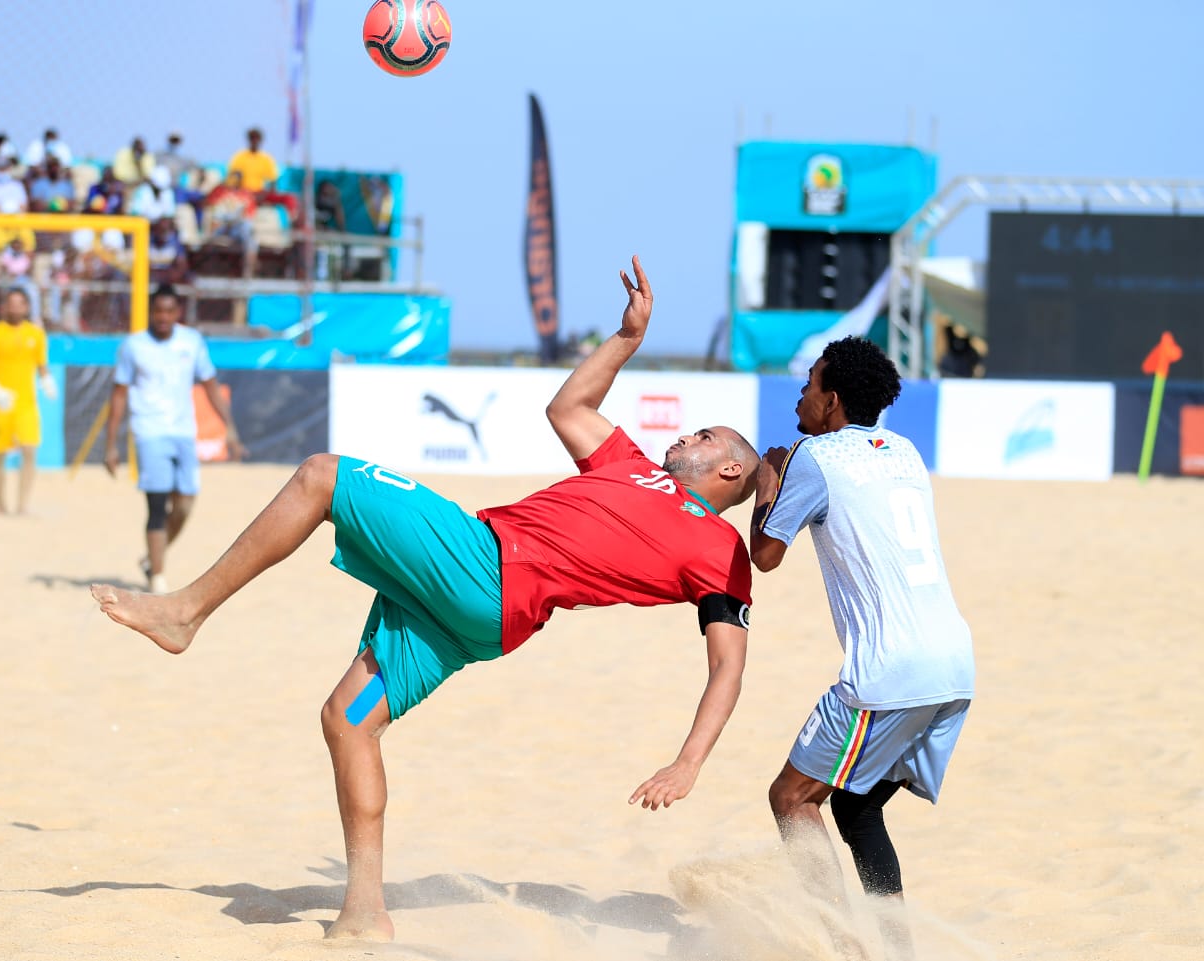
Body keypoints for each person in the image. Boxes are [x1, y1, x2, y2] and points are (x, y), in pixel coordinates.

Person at [90, 256, 760, 942]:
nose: (684, 435)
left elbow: (728, 666)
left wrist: (689, 760)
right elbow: (567, 409)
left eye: (704, 436)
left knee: (322, 476)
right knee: (348, 720)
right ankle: (364, 911)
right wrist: (626, 339)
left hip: (485, 567)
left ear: (731, 468)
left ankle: (185, 611)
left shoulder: (719, 549)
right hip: (478, 618)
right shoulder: (631, 467)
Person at [750, 336, 975, 960]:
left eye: (811, 382)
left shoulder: (813, 456)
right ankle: (896, 951)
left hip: (888, 673)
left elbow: (764, 558)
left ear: (834, 400)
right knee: (854, 806)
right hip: (954, 666)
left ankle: (848, 951)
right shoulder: (903, 450)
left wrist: (769, 481)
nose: (802, 392)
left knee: (791, 798)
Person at [102, 285, 243, 594]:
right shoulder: (133, 346)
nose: (163, 317)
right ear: (150, 312)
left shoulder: (191, 342)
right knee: (156, 504)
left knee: (185, 505)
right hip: (149, 432)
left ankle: (153, 558)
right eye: (158, 311)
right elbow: (119, 394)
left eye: (169, 311)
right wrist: (111, 444)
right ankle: (157, 576)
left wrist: (229, 427)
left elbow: (209, 384)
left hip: (183, 432)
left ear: (177, 313)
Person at [0, 288, 57, 514]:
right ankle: (1, 506)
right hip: (1, 403)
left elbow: (42, 366)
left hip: (26, 403)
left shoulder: (36, 334)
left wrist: (47, 380)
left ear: (26, 307)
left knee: (30, 451)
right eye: (10, 303)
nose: (14, 308)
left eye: (19, 303)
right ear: (4, 307)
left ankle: (22, 505)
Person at [227, 126, 279, 195]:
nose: (254, 141)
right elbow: (232, 176)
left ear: (260, 140)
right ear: (249, 139)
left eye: (257, 138)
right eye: (252, 138)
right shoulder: (239, 157)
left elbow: (273, 180)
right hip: (243, 191)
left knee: (289, 198)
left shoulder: (266, 159)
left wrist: (270, 194)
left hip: (260, 193)